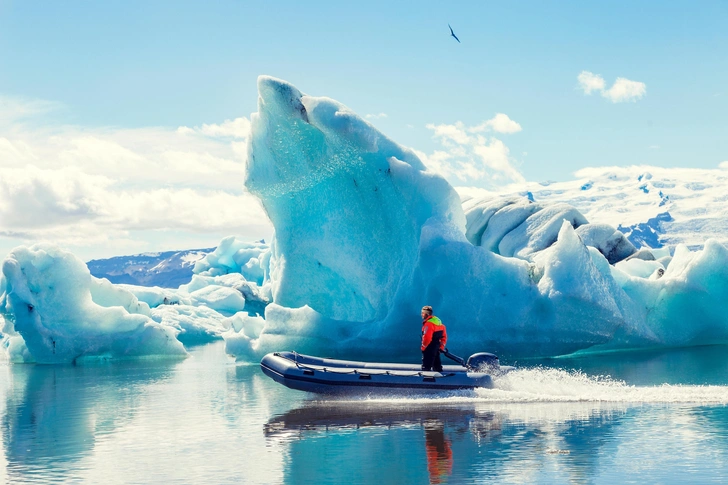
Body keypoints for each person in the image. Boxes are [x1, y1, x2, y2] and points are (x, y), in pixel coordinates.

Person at [421, 306, 447, 372]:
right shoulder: (440, 324)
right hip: (436, 347)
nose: (421, 315)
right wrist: (441, 346)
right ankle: (440, 379)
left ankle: (426, 380)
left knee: (426, 367)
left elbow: (427, 338)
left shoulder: (429, 324)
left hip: (429, 347)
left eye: (422, 313)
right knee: (437, 365)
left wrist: (423, 347)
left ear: (426, 314)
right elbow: (444, 336)